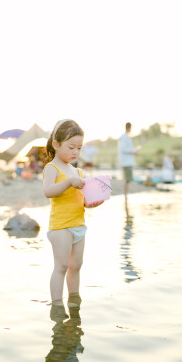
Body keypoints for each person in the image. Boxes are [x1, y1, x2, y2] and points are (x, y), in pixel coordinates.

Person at [43, 119, 103, 309]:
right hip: (61, 226)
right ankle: (57, 306)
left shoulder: (77, 170)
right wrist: (69, 182)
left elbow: (81, 200)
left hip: (78, 225)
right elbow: (48, 191)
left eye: (79, 147)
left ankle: (74, 301)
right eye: (71, 147)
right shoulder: (52, 168)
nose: (76, 152)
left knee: (75, 266)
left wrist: (92, 202)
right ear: (56, 144)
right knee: (61, 266)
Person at [118, 122, 137, 195]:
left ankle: (126, 194)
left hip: (126, 161)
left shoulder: (125, 137)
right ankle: (125, 194)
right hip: (126, 162)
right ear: (129, 128)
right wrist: (132, 152)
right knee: (127, 179)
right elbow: (123, 149)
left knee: (127, 179)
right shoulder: (124, 137)